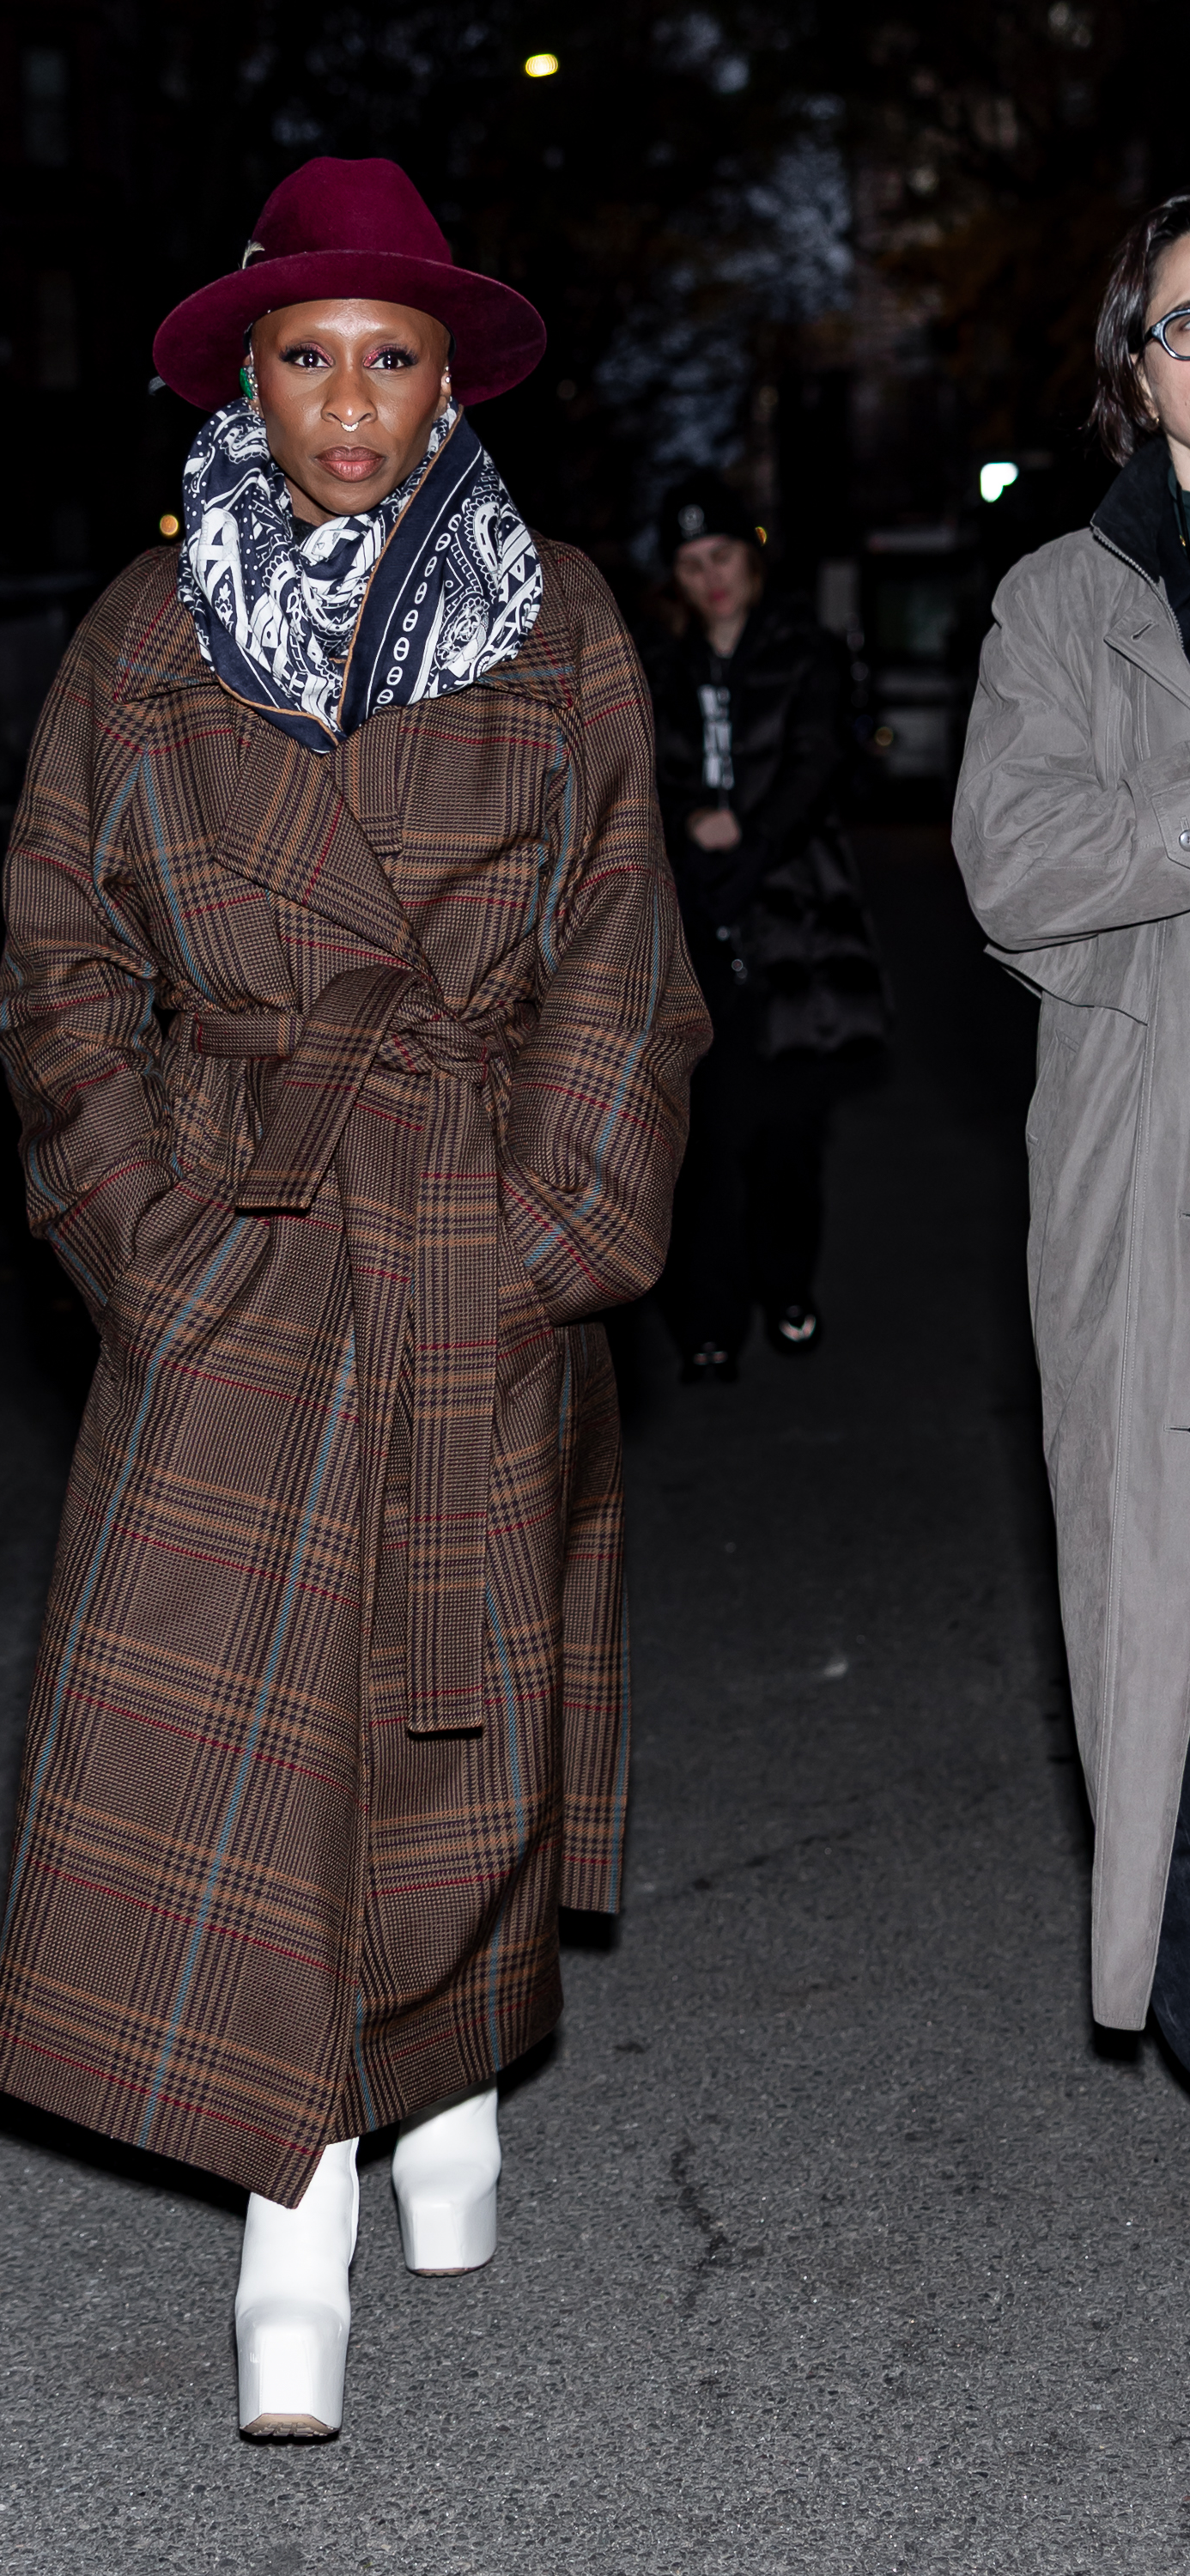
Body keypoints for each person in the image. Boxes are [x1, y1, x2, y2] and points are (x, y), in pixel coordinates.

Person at [0, 156, 708, 2439]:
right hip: (241, 1228)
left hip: (468, 1212)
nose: (351, 406)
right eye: (309, 359)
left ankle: (457, 2073)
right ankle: (291, 2216)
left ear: (448, 380)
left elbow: (622, 945)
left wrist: (554, 1217)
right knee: (238, 1726)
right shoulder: (144, 634)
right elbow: (56, 971)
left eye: (391, 359)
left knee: (451, 1706)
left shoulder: (560, 618)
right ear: (245, 381)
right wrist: (146, 1240)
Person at [954, 192, 1190, 2072]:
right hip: (1157, 1173)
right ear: (1138, 366)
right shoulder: (1062, 601)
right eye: (1187, 323)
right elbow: (1016, 867)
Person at [642, 474, 887, 1382]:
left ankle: (785, 1283)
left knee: (789, 1132)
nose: (709, 578)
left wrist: (743, 831)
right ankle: (709, 1317)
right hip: (694, 918)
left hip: (792, 920)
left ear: (748, 558)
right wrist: (686, 840)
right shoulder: (659, 664)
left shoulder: (804, 651)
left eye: (720, 557)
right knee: (703, 1135)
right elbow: (634, 779)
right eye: (688, 562)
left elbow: (817, 759)